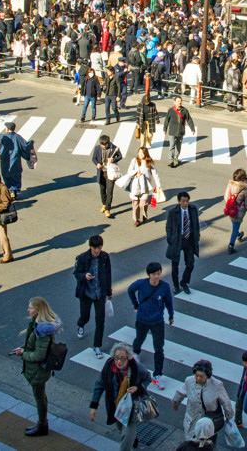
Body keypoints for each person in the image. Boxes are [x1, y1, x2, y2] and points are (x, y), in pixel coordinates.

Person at [11, 297, 61, 437]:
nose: (28, 310)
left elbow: (39, 355)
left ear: (38, 310)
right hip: (38, 370)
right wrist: (23, 348)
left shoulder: (41, 331)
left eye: (31, 308)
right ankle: (42, 423)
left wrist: (23, 354)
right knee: (40, 395)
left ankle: (42, 425)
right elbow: (33, 345)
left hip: (38, 370)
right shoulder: (38, 325)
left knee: (39, 397)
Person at [89, 342, 151, 451]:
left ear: (128, 358)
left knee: (126, 439)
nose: (119, 362)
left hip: (132, 408)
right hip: (116, 406)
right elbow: (99, 384)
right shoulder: (108, 367)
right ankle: (132, 439)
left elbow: (148, 379)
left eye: (122, 358)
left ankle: (129, 439)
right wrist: (94, 406)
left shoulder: (137, 368)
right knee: (121, 428)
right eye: (116, 358)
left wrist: (137, 387)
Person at [128, 262, 174, 390]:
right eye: (154, 274)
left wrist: (171, 315)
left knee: (159, 347)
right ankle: (136, 352)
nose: (156, 276)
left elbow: (169, 302)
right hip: (142, 319)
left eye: (158, 273)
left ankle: (157, 375)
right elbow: (130, 290)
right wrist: (135, 305)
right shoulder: (141, 284)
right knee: (139, 338)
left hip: (157, 321)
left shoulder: (164, 286)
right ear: (149, 275)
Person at [172, 359, 233, 441]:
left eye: (201, 376)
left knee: (207, 441)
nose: (198, 378)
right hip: (192, 417)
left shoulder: (217, 385)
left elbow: (225, 401)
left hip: (208, 421)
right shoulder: (189, 381)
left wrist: (229, 415)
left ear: (208, 375)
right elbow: (181, 392)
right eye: (196, 375)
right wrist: (176, 402)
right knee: (190, 439)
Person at [74, 235, 112, 358]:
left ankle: (97, 346)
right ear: (90, 247)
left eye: (99, 247)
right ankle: (81, 324)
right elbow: (77, 273)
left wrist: (109, 291)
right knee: (85, 316)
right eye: (95, 248)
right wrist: (84, 276)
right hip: (86, 293)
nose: (97, 250)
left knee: (100, 320)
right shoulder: (82, 258)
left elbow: (108, 274)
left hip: (99, 293)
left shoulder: (105, 257)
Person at [165, 192, 200, 294]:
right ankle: (176, 286)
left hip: (189, 239)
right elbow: (168, 227)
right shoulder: (173, 212)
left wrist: (196, 236)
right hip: (177, 240)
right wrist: (171, 239)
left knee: (190, 263)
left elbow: (196, 224)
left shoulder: (193, 209)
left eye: (187, 201)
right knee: (175, 265)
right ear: (179, 201)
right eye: (183, 201)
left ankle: (184, 282)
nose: (185, 203)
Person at [123, 146, 160, 227]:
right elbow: (129, 171)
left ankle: (144, 214)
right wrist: (135, 174)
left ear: (146, 154)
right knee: (135, 203)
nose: (141, 154)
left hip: (145, 186)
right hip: (135, 186)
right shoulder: (134, 161)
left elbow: (155, 175)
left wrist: (158, 186)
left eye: (142, 153)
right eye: (139, 152)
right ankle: (136, 219)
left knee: (143, 203)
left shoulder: (149, 162)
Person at [0, 121, 35, 198]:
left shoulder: (2, 137)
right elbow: (25, 146)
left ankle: (10, 190)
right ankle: (14, 190)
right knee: (16, 175)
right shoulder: (17, 137)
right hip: (15, 160)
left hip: (5, 160)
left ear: (7, 129)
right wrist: (31, 142)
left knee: (6, 174)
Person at [92, 134, 124, 218]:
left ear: (108, 143)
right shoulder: (97, 148)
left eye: (105, 145)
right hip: (101, 172)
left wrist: (113, 159)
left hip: (110, 172)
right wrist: (97, 164)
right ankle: (104, 204)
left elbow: (120, 156)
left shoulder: (114, 148)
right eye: (102, 145)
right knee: (102, 190)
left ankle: (107, 209)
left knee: (109, 191)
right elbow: (94, 158)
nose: (103, 147)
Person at [223, 169, 247, 254]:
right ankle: (231, 245)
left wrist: (230, 204)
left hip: (230, 210)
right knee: (235, 227)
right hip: (239, 210)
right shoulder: (245, 188)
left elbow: (226, 196)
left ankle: (238, 234)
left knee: (234, 225)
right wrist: (246, 208)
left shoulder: (230, 185)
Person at [163, 96, 195, 168]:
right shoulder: (171, 110)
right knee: (172, 145)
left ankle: (176, 156)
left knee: (178, 145)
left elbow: (189, 120)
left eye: (180, 101)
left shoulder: (185, 110)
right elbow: (166, 120)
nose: (179, 103)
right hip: (172, 131)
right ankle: (171, 160)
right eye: (178, 101)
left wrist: (192, 129)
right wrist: (165, 129)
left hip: (181, 131)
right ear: (174, 102)